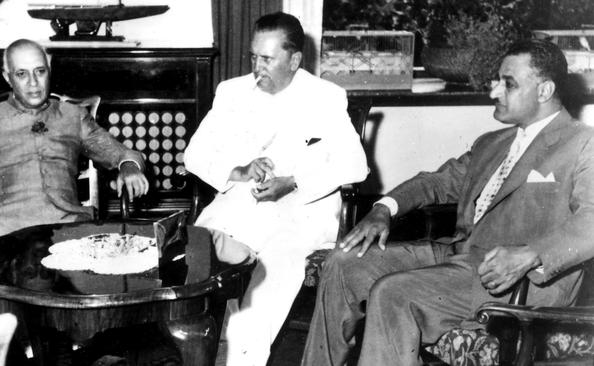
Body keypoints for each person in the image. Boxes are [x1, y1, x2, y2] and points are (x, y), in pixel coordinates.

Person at [301, 39, 594, 366]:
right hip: (459, 256)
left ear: (544, 91)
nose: (494, 92)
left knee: (394, 293)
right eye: (496, 81)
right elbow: (438, 182)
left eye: (507, 84)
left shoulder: (583, 144)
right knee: (344, 262)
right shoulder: (493, 143)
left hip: (521, 279)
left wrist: (531, 254)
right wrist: (384, 208)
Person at [184, 12, 368, 366]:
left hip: (302, 212)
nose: (257, 68)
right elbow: (195, 154)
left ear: (295, 60)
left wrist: (295, 180)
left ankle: (240, 356)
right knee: (198, 257)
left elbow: (356, 165)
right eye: (253, 57)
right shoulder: (232, 92)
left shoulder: (326, 96)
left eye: (267, 59)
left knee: (265, 289)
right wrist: (237, 170)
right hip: (243, 203)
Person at [0, 39, 149, 245]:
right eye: (21, 74)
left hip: (66, 223)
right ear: (8, 78)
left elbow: (117, 151)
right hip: (2, 226)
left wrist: (129, 166)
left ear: (49, 70)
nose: (33, 83)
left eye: (40, 71)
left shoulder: (73, 115)